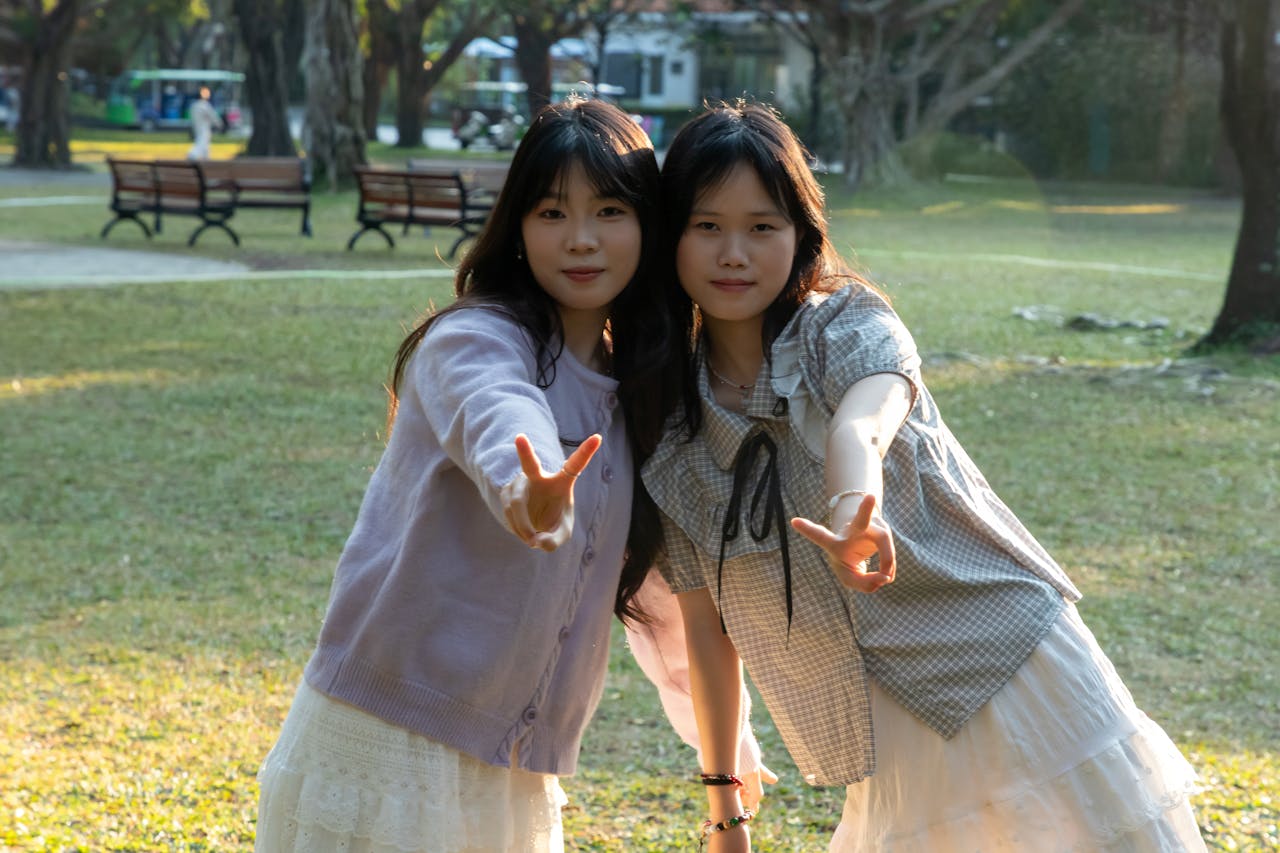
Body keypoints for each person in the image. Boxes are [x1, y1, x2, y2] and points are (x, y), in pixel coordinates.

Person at [641, 101, 1207, 852]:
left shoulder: (847, 322)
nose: (733, 253)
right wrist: (724, 807)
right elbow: (707, 627)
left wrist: (853, 504)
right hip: (882, 723)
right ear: (668, 236)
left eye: (762, 227)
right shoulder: (674, 434)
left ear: (800, 234)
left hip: (1012, 658)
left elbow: (862, 420)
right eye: (706, 226)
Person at [254, 97, 700, 853]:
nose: (582, 239)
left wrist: (722, 742)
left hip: (512, 770)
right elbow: (498, 415)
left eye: (611, 210)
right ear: (518, 228)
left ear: (648, 225)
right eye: (553, 212)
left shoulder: (638, 394)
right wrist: (529, 492)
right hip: (389, 741)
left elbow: (655, 593)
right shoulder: (472, 339)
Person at [187, 86, 223, 160]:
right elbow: (213, 116)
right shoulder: (204, 105)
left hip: (197, 127)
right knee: (202, 143)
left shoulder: (194, 105)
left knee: (205, 146)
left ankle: (206, 159)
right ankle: (192, 155)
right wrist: (219, 124)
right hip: (204, 128)